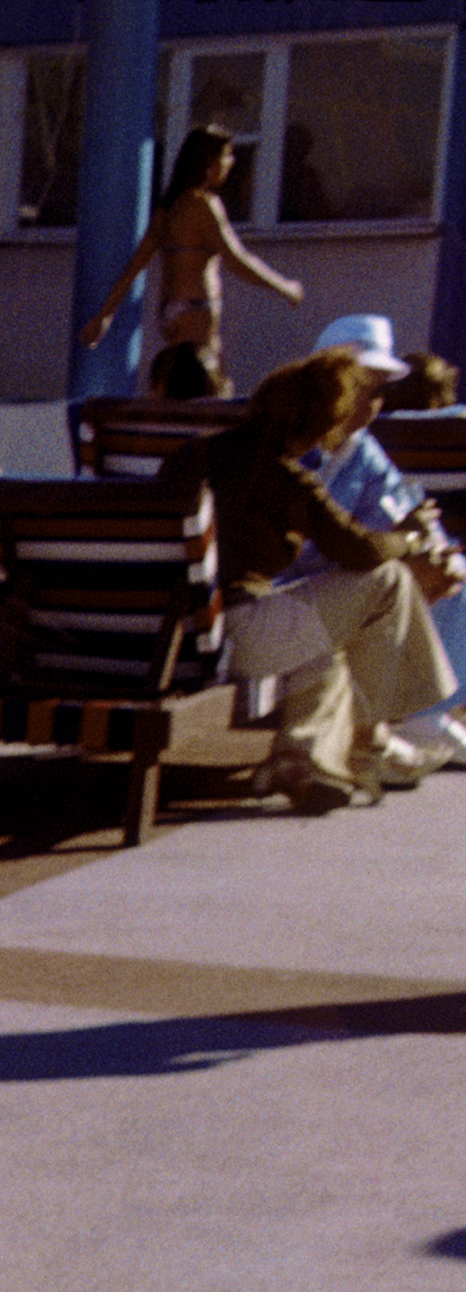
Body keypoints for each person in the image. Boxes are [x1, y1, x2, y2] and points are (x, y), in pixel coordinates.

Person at [158, 347, 455, 808]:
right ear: (316, 424)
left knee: (323, 647)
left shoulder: (192, 455)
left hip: (168, 636)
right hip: (233, 636)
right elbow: (362, 551)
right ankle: (377, 737)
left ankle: (298, 762)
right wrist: (411, 537)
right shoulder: (288, 479)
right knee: (390, 580)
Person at [306, 319, 466, 761]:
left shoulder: (362, 449)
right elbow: (302, 548)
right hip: (285, 593)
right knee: (395, 579)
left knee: (452, 573)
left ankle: (425, 714)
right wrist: (404, 547)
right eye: (363, 386)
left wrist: (430, 551)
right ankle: (411, 720)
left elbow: (397, 512)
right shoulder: (291, 442)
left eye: (380, 390)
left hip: (340, 580)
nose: (373, 402)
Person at [82, 128, 296, 401]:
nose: (231, 163)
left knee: (180, 386)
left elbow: (135, 266)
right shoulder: (204, 205)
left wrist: (104, 315)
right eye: (227, 156)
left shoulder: (168, 208)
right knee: (211, 391)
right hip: (197, 310)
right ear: (209, 163)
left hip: (170, 314)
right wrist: (284, 286)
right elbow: (237, 260)